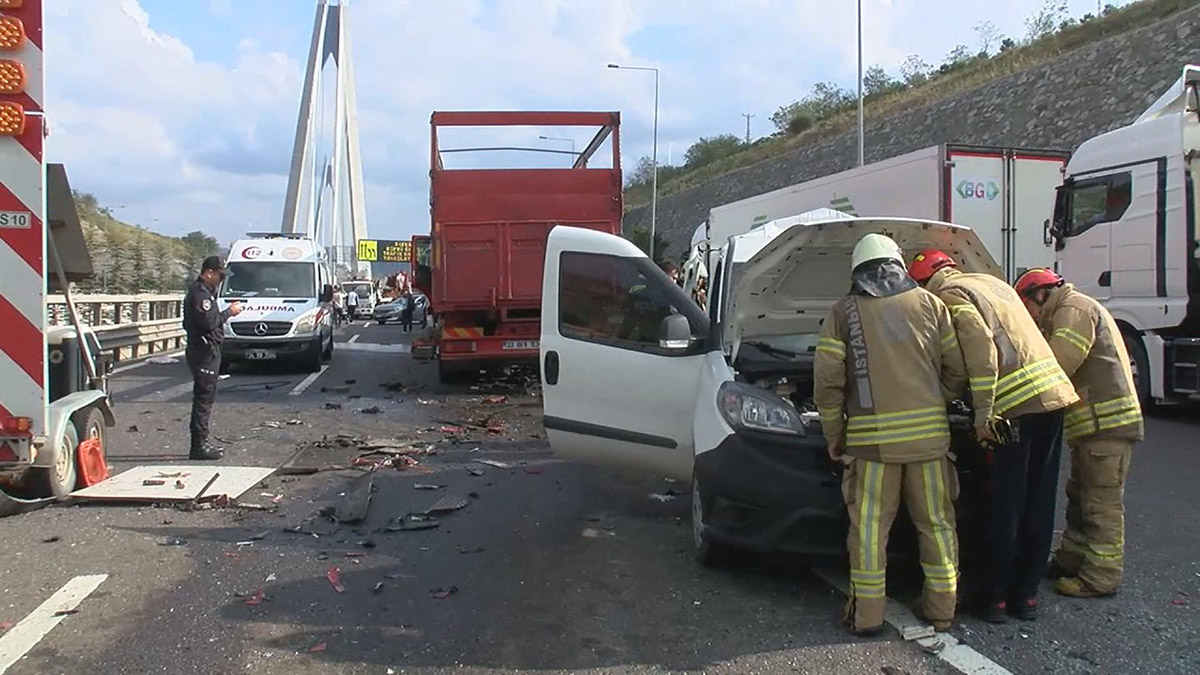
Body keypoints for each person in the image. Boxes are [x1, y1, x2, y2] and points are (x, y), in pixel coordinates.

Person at [909, 250, 1078, 623]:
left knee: (1006, 504)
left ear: (924, 283)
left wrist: (983, 411)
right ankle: (1026, 596)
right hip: (1052, 398)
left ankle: (995, 599)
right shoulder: (991, 284)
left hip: (1015, 406)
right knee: (1039, 500)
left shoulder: (951, 297)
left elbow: (982, 354)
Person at [815, 234, 968, 636]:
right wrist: (937, 400)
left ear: (857, 271)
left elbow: (828, 380)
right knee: (936, 524)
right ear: (898, 265)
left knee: (868, 530)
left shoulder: (844, 312)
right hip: (931, 445)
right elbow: (956, 368)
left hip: (872, 449)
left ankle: (866, 615)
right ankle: (941, 609)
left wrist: (834, 432)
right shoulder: (932, 305)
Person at [1014, 268, 1142, 599]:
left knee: (1101, 505)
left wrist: (1011, 396)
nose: (1030, 319)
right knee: (1080, 497)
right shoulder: (1070, 308)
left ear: (1039, 295)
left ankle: (1100, 577)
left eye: (1026, 307)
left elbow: (1056, 366)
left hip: (1107, 427)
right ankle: (1070, 560)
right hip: (1094, 428)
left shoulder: (1073, 310)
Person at [182, 256, 242, 460]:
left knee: (205, 397)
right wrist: (229, 312)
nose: (222, 279)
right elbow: (209, 322)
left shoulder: (206, 292)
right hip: (203, 352)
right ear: (209, 273)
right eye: (220, 275)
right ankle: (198, 446)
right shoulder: (200, 295)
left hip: (208, 350)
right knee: (203, 399)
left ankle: (202, 441)